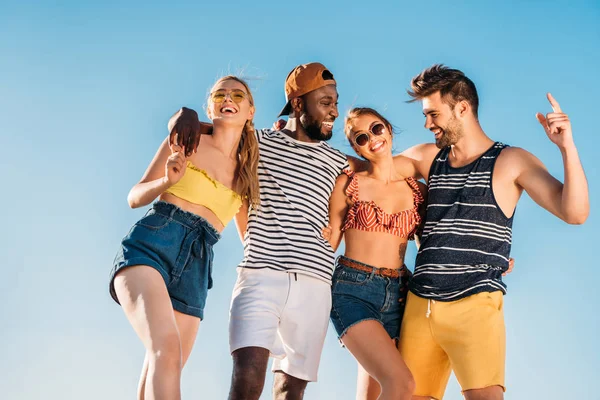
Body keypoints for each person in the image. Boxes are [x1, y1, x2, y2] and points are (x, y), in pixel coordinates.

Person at [395, 64, 589, 400]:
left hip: (474, 304)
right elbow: (372, 172)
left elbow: (574, 212)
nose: (427, 124)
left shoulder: (511, 161)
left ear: (463, 108)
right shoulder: (428, 158)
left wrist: (566, 148)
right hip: (419, 306)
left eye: (433, 114)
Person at [108, 76, 260, 400]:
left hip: (197, 264)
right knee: (166, 349)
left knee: (163, 365)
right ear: (211, 106)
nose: (227, 98)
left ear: (251, 110)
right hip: (153, 244)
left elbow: (251, 238)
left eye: (237, 94)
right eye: (220, 94)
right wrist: (166, 180)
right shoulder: (187, 141)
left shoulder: (248, 173)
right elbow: (135, 196)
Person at [226, 62, 364, 400]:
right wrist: (183, 117)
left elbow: (389, 171)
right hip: (260, 275)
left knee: (290, 390)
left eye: (335, 102)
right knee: (247, 376)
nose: (333, 111)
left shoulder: (339, 162)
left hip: (315, 283)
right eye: (324, 102)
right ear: (298, 104)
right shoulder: (258, 142)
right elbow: (217, 135)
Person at [326, 107, 426, 400]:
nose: (372, 138)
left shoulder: (417, 191)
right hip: (353, 291)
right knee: (401, 385)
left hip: (400, 296)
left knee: (377, 392)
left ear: (389, 129)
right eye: (361, 137)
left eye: (376, 128)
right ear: (357, 148)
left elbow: (432, 244)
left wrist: (490, 259)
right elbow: (330, 239)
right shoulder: (348, 184)